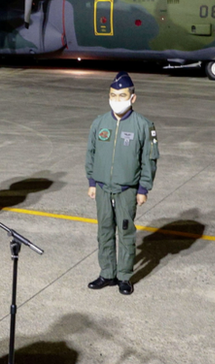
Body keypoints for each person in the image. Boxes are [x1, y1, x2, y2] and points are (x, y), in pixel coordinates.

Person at [85, 72, 159, 295]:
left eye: (122, 95)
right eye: (113, 95)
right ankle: (107, 273)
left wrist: (143, 188)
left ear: (133, 98)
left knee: (126, 233)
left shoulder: (143, 125)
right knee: (104, 231)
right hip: (102, 188)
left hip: (127, 189)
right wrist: (91, 181)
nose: (117, 100)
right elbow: (91, 153)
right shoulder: (99, 123)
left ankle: (124, 277)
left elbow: (149, 159)